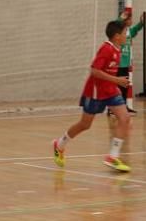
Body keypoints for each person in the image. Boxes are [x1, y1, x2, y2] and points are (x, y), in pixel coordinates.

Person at [52, 20, 132, 172]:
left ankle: (113, 156)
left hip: (111, 91)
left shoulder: (118, 49)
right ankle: (60, 143)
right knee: (85, 125)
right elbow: (94, 71)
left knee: (125, 118)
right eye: (124, 33)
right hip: (95, 92)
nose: (126, 36)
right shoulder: (106, 49)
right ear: (116, 36)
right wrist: (117, 80)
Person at [114, 10, 145, 114]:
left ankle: (124, 107)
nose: (131, 21)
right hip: (118, 64)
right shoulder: (118, 31)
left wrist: (141, 23)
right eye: (130, 19)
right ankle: (112, 109)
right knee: (117, 87)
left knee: (125, 87)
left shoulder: (128, 31)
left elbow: (136, 29)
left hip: (125, 63)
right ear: (125, 20)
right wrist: (121, 18)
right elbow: (115, 25)